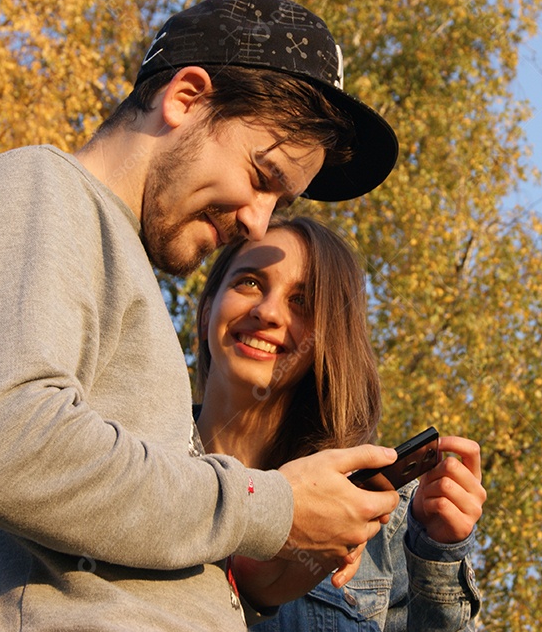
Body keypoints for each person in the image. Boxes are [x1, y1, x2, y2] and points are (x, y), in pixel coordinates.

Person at [0, 0, 403, 631]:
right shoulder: (38, 186)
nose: (257, 221)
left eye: (280, 202)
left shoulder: (112, 258)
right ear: (185, 98)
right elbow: (7, 450)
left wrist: (262, 579)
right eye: (261, 176)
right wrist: (271, 505)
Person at [193, 216, 484, 630]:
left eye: (302, 301)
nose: (268, 311)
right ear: (208, 311)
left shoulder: (381, 517)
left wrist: (437, 554)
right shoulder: (137, 459)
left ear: (328, 339)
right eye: (250, 282)